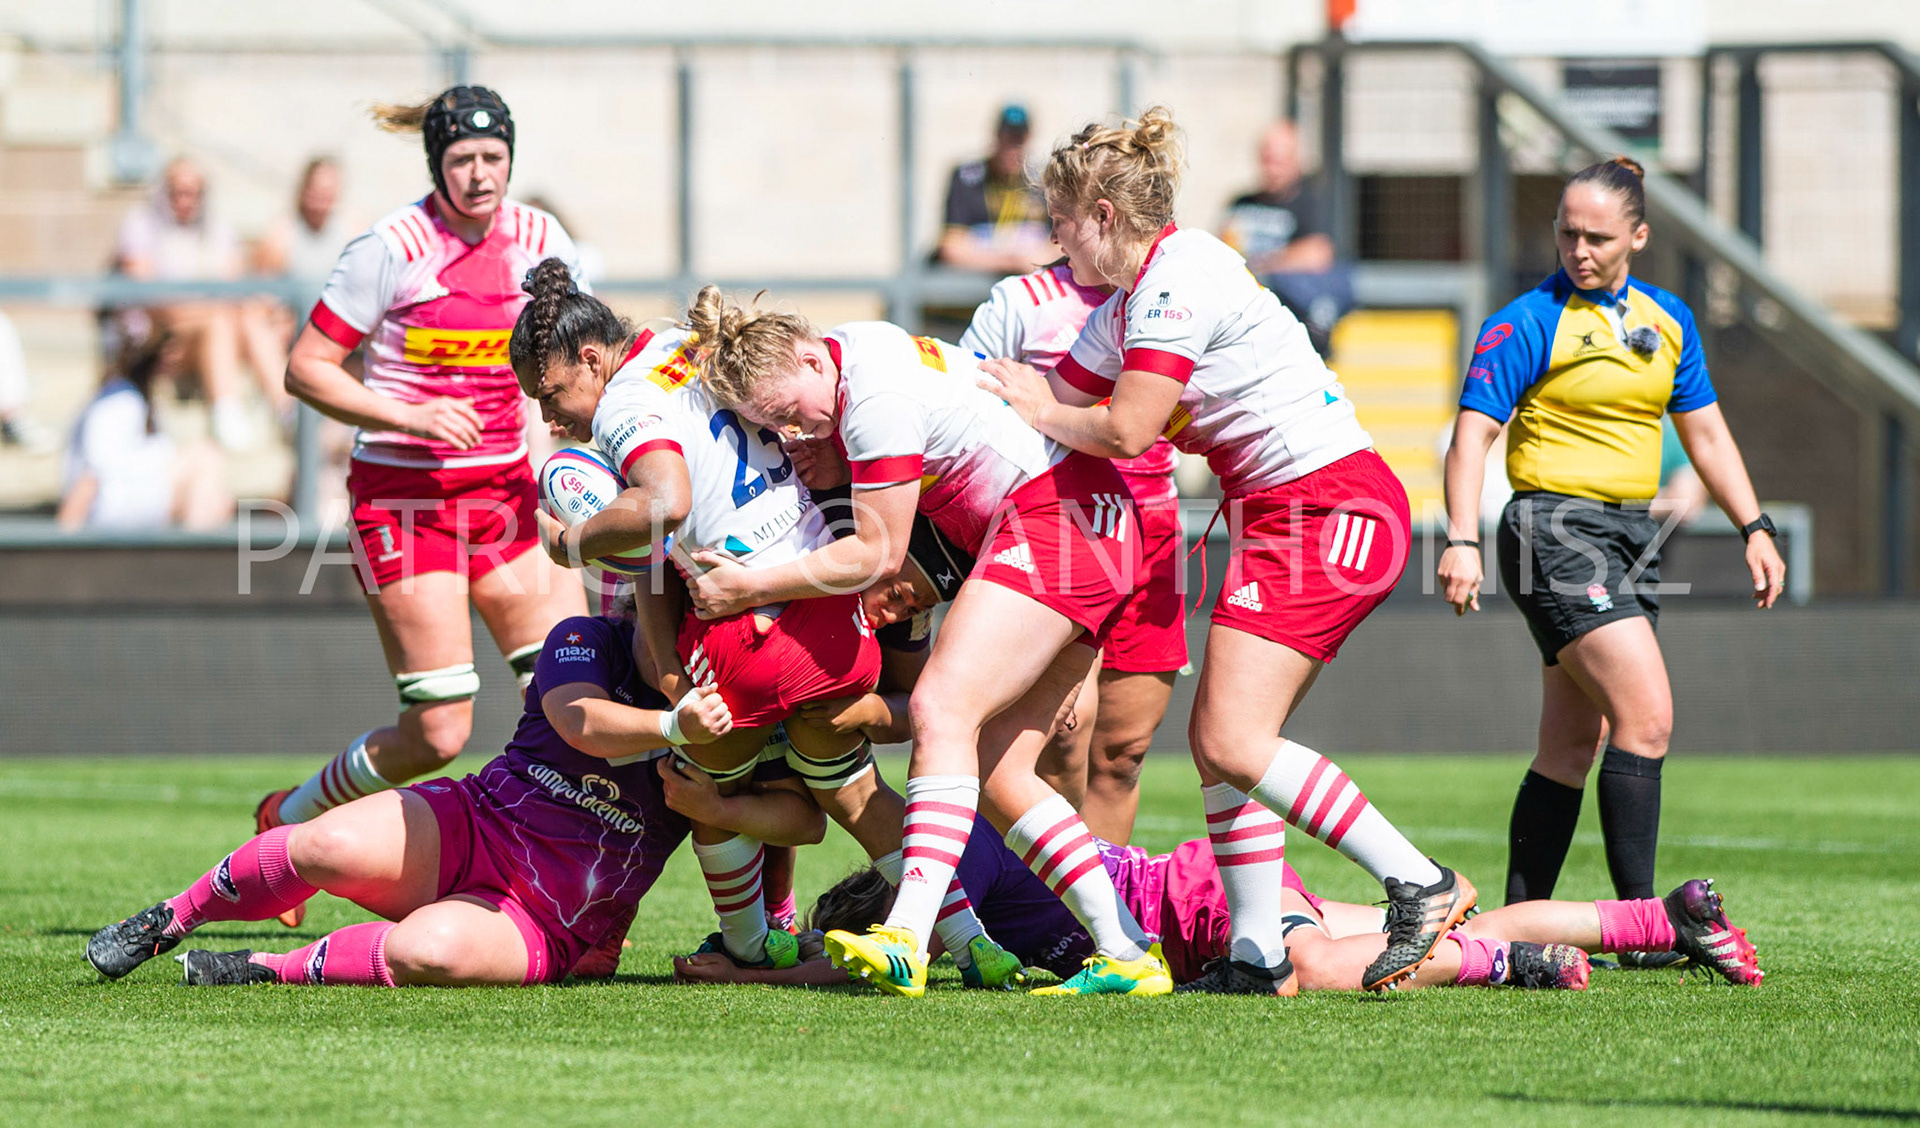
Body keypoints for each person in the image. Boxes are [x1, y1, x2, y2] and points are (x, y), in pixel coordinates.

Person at [982, 107, 1473, 996]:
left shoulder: (1180, 276)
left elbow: (1123, 428)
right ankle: (1257, 954)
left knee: (1233, 737)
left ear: (1101, 215)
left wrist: (1039, 408)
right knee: (1224, 744)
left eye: (1060, 221)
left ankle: (1419, 882)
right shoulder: (1131, 303)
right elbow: (1053, 397)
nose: (1051, 243)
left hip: (1331, 507)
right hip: (1283, 513)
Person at [507, 265, 1022, 985]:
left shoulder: (627, 402)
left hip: (750, 632)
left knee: (693, 778)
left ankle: (749, 942)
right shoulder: (690, 344)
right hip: (836, 615)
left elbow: (667, 503)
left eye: (552, 394)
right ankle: (971, 941)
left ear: (591, 359)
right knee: (847, 784)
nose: (549, 419)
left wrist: (573, 540)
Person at [679, 292, 1160, 998]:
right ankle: (1126, 949)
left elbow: (877, 554)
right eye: (772, 425)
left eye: (787, 412)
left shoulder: (873, 399)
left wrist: (748, 586)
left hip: (1059, 518)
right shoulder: (851, 359)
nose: (790, 432)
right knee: (998, 773)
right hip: (1087, 521)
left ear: (814, 358)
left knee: (939, 707)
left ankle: (906, 937)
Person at [257, 89, 590, 933]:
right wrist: (408, 416)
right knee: (439, 731)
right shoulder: (391, 247)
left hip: (508, 496)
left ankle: (532, 875)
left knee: (577, 696)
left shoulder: (544, 242)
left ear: (512, 158)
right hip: (405, 502)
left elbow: (583, 353)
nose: (479, 176)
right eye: (461, 161)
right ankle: (286, 820)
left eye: (492, 158)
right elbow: (306, 368)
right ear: (435, 165)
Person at [1438, 157, 1787, 932]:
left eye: (1597, 236)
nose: (1579, 249)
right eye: (1567, 233)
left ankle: (1517, 925)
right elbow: (1470, 441)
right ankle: (1643, 925)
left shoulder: (1667, 321)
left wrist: (1753, 525)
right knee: (1647, 716)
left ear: (1639, 235)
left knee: (1571, 742)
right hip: (1553, 529)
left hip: (1633, 534)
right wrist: (1460, 538)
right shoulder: (1526, 320)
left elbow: (1705, 433)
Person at [84, 607, 745, 988]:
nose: (659, 634)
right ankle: (170, 919)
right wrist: (670, 728)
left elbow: (798, 817)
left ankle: (263, 966)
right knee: (323, 843)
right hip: (474, 824)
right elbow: (580, 723)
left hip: (549, 914)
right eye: (654, 610)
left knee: (425, 953)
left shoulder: (738, 703)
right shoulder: (587, 638)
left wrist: (719, 812)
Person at [680, 818, 1763, 991]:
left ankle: (1505, 968)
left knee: (1336, 975)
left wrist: (743, 960)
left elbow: (837, 959)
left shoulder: (945, 860)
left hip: (1197, 915)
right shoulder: (971, 838)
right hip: (1204, 877)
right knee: (1431, 927)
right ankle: (1663, 919)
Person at [961, 261, 1187, 844]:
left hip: (1154, 527)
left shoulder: (1177, 290)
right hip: (1061, 526)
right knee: (1060, 735)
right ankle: (1024, 913)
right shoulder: (1022, 299)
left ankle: (1098, 923)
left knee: (1123, 752)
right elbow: (969, 400)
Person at [115, 156, 289, 448]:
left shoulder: (216, 227)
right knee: (222, 318)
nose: (185, 199)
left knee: (252, 317)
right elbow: (149, 295)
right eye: (177, 191)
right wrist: (210, 304)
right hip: (160, 340)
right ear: (163, 191)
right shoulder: (141, 223)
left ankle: (286, 410)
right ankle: (227, 408)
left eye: (193, 192)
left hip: (213, 329)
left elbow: (237, 284)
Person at [57, 334, 230, 531]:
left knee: (212, 485)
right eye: (169, 350)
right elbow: (92, 475)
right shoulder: (118, 401)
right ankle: (197, 553)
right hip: (113, 510)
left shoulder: (143, 401)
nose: (178, 356)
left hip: (135, 503)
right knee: (205, 457)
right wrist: (64, 537)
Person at [1218, 121, 1347, 356]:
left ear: (1297, 161)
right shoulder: (1241, 203)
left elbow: (1317, 254)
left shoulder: (1310, 203)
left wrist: (1261, 263)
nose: (1271, 167)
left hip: (1289, 329)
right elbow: (1221, 250)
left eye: (1279, 159)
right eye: (1267, 159)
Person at [935, 105, 1053, 276]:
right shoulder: (967, 178)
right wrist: (1011, 262)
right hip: (973, 284)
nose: (1012, 150)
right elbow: (951, 247)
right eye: (1007, 140)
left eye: (1018, 141)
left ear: (1028, 139)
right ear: (996, 137)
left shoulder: (1042, 181)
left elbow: (1062, 246)